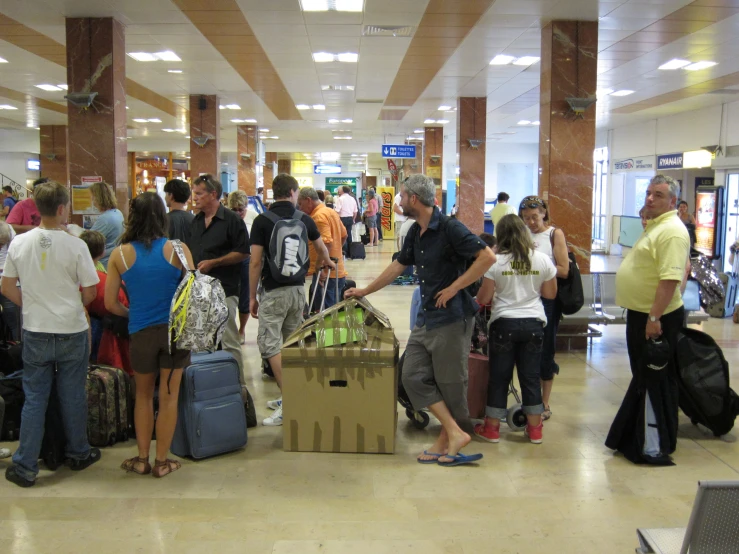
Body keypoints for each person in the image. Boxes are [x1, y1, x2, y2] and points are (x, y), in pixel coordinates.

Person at [346, 174, 495, 466]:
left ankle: (451, 438)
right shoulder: (416, 231)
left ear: (414, 199)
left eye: (401, 196)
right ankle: (453, 432)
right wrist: (365, 290)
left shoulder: (451, 228)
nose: (398, 201)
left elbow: (487, 257)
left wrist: (455, 287)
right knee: (411, 375)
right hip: (426, 319)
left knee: (451, 383)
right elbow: (399, 265)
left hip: (452, 320)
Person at [1, 181, 102, 487]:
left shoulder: (19, 243)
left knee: (35, 397)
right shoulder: (76, 245)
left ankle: (26, 465)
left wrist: (32, 303)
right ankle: (78, 451)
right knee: (72, 394)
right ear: (61, 209)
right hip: (71, 330)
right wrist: (71, 304)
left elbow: (6, 287)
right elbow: (91, 290)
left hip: (35, 329)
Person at [105, 192, 194, 477]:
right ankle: (162, 462)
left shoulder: (119, 254)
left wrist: (135, 314)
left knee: (142, 396)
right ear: (162, 217)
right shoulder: (178, 249)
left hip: (140, 333)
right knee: (169, 397)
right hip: (174, 333)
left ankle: (142, 459)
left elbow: (110, 304)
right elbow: (193, 295)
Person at [608, 175, 690, 463]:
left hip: (658, 317)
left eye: (658, 194)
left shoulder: (672, 231)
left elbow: (670, 279)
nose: (650, 199)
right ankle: (635, 435)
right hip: (642, 312)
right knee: (644, 376)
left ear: (673, 202)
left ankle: (652, 444)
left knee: (653, 377)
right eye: (648, 193)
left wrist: (654, 317)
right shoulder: (656, 226)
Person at [250, 174, 335, 426]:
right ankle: (294, 394)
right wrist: (321, 268)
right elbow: (322, 250)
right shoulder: (304, 219)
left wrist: (251, 296)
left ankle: (291, 400)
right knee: (292, 345)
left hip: (273, 292)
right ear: (293, 192)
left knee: (269, 345)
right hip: (299, 291)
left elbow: (255, 261)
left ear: (274, 192)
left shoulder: (262, 221)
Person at [473, 214, 557, 444]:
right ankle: (535, 429)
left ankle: (491, 429)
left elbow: (484, 297)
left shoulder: (496, 262)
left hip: (503, 324)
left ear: (501, 236)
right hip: (533, 324)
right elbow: (550, 294)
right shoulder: (541, 259)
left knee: (499, 378)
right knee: (530, 377)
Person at [187, 175, 250, 388]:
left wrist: (215, 262)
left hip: (225, 289)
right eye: (193, 193)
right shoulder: (195, 222)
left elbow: (243, 252)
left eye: (199, 194)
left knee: (229, 340)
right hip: (200, 290)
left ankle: (238, 388)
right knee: (204, 342)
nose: (194, 198)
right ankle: (211, 387)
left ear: (213, 195)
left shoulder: (232, 220)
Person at [518, 195, 569, 421]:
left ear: (544, 214)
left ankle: (545, 402)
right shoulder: (521, 235)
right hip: (524, 299)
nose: (530, 222)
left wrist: (538, 267)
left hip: (547, 300)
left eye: (535, 217)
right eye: (526, 218)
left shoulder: (554, 234)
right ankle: (530, 398)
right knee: (525, 351)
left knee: (545, 350)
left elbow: (564, 269)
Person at [79, 230, 131, 373]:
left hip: (109, 320)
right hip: (122, 314)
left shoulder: (86, 276)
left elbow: (85, 307)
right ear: (102, 253)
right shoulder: (103, 270)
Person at [297, 186, 348, 311]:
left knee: (324, 314)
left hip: (325, 273)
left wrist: (321, 267)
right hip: (337, 270)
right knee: (334, 312)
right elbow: (344, 235)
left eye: (301, 204)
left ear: (308, 200)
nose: (300, 208)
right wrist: (337, 251)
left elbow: (326, 244)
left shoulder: (318, 217)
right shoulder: (330, 212)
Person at [227, 190, 251, 345]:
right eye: (233, 209)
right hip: (229, 260)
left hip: (247, 261)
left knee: (245, 297)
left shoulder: (253, 219)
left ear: (245, 208)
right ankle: (230, 329)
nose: (237, 213)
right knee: (229, 297)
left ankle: (241, 330)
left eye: (240, 209)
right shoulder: (225, 220)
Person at [89, 181, 124, 269]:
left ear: (98, 198)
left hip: (103, 264)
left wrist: (68, 232)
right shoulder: (117, 213)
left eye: (93, 197)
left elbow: (89, 241)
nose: (92, 201)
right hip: (114, 260)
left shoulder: (105, 219)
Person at [0, 220, 18, 341]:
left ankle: (17, 346)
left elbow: (16, 255)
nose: (1, 247)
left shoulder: (10, 231)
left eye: (2, 244)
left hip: (7, 279)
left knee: (14, 321)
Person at [163, 178, 194, 243]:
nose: (165, 197)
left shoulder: (164, 220)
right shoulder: (195, 219)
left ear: (171, 195)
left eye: (166, 194)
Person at [334, 185, 358, 258]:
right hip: (350, 218)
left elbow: (337, 211)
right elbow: (355, 211)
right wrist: (353, 219)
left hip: (342, 219)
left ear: (342, 191)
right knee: (349, 235)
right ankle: (351, 253)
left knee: (343, 235)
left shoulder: (340, 199)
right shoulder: (352, 199)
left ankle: (345, 252)